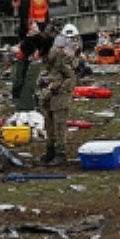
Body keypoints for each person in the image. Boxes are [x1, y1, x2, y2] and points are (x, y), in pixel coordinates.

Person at [37, 24, 79, 165]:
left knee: (59, 125)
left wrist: (59, 86)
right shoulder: (52, 58)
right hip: (50, 94)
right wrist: (44, 81)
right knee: (49, 124)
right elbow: (49, 71)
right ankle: (51, 151)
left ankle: (61, 154)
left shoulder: (62, 57)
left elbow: (71, 78)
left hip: (60, 96)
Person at [12, 0, 51, 105]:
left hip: (30, 32)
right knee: (40, 59)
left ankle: (21, 91)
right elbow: (47, 13)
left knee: (23, 61)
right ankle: (41, 87)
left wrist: (21, 36)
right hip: (41, 31)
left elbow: (23, 19)